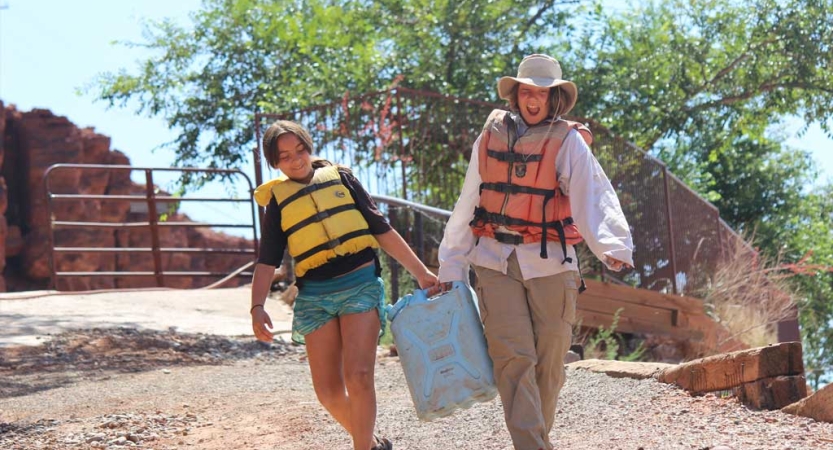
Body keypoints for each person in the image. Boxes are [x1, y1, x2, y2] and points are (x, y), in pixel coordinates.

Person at [436, 54, 634, 450]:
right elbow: (469, 198)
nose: (532, 99)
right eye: (527, 91)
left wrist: (612, 246)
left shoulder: (569, 141)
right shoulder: (490, 134)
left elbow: (592, 194)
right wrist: (451, 265)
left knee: (549, 367)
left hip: (551, 264)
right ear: (517, 94)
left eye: (541, 93)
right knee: (513, 360)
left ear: (554, 97)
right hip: (494, 260)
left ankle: (536, 439)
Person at [250, 120, 439, 450]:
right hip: (315, 296)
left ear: (309, 147)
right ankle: (373, 443)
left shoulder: (343, 179)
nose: (296, 160)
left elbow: (381, 230)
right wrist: (257, 307)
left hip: (359, 284)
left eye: (301, 150)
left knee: (360, 376)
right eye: (285, 157)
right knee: (328, 392)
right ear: (275, 162)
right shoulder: (279, 201)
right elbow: (267, 259)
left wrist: (421, 273)